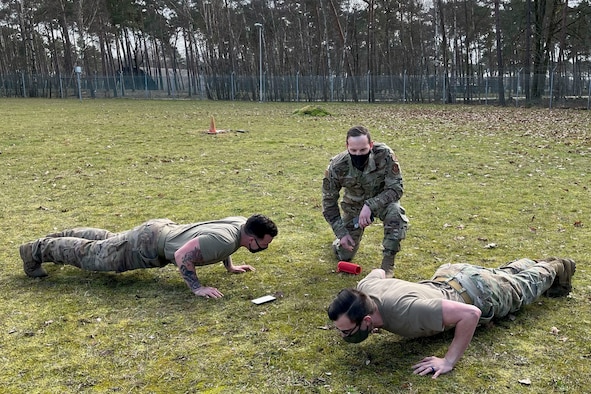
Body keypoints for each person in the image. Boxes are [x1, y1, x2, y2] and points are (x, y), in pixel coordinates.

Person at [327, 257, 576, 378]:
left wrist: (449, 361)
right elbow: (378, 272)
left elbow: (471, 314)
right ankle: (524, 264)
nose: (342, 335)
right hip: (450, 275)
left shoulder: (408, 311)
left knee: (527, 286)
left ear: (367, 321)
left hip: (480, 293)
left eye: (347, 331)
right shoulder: (364, 291)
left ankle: (557, 266)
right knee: (506, 276)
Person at [19, 214, 278, 299]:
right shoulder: (224, 240)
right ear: (251, 238)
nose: (263, 249)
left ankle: (55, 237)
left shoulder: (239, 226)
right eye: (263, 245)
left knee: (108, 240)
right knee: (93, 256)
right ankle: (35, 251)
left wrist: (230, 267)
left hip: (157, 230)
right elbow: (182, 255)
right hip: (148, 246)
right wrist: (197, 287)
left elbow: (220, 245)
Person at [322, 125, 408, 277]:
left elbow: (396, 188)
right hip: (354, 207)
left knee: (396, 214)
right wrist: (341, 234)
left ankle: (387, 266)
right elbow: (329, 204)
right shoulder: (337, 166)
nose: (358, 154)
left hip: (382, 203)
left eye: (363, 150)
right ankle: (337, 245)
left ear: (371, 145)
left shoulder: (385, 155)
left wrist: (370, 205)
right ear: (347, 147)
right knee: (345, 255)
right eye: (353, 150)